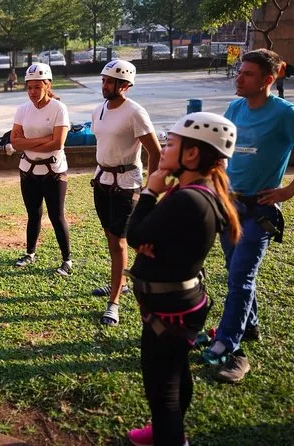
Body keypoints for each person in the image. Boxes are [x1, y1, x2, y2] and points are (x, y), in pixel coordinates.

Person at [125, 112, 240, 446]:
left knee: (163, 391)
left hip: (170, 311)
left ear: (192, 154)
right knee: (175, 374)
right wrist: (150, 237)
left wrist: (150, 192)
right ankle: (166, 432)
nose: (163, 148)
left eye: (171, 143)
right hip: (177, 304)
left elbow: (135, 234)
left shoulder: (189, 199)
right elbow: (150, 236)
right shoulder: (195, 192)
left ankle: (170, 437)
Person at [201, 49, 294, 383]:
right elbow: (222, 151)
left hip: (260, 209)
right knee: (234, 270)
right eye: (239, 72)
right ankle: (248, 324)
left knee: (241, 276)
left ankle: (229, 344)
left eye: (247, 74)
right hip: (230, 204)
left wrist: (286, 192)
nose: (238, 78)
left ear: (267, 80)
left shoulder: (284, 113)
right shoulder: (235, 108)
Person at [90, 60, 161, 326]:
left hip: (126, 184)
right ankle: (119, 282)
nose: (105, 85)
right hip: (102, 180)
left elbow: (155, 153)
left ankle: (114, 302)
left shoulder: (135, 112)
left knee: (119, 241)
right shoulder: (99, 109)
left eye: (110, 81)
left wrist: (149, 190)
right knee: (111, 236)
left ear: (125, 85)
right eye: (104, 80)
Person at [10, 63, 72, 276]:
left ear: (48, 85)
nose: (32, 92)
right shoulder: (22, 110)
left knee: (57, 216)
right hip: (28, 170)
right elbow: (15, 142)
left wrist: (27, 142)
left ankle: (67, 259)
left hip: (53, 170)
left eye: (37, 87)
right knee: (33, 214)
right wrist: (45, 139)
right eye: (29, 87)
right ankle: (30, 253)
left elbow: (58, 143)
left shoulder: (58, 108)